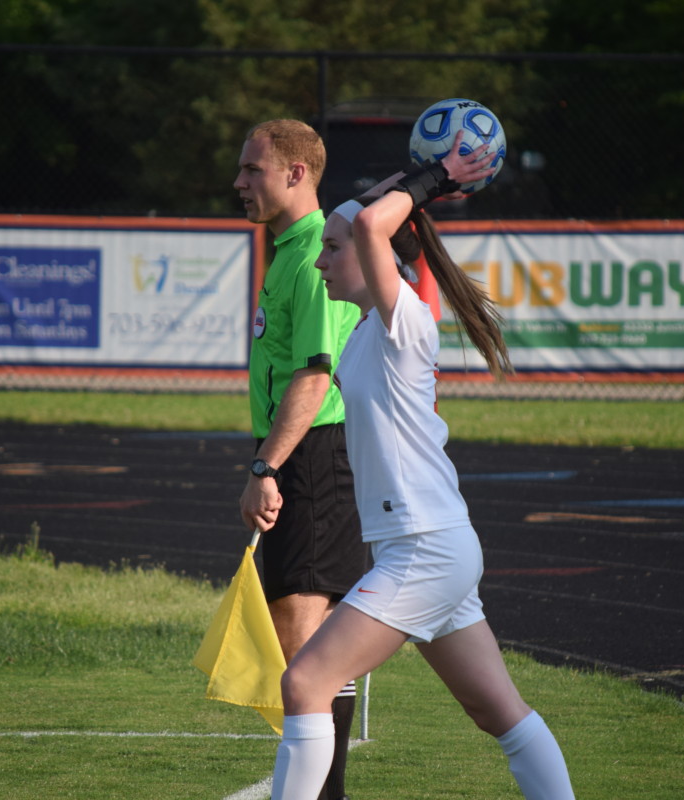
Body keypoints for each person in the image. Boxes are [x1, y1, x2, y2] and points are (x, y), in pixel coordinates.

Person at [268, 135, 577, 800]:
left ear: (379, 254)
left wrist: (442, 173)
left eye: (332, 247)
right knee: (500, 714)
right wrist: (412, 179)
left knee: (304, 681)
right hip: (427, 544)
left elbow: (377, 221)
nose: (320, 259)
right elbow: (372, 216)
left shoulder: (403, 318)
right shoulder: (366, 329)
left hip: (423, 548)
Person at [233, 119, 367, 800]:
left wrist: (267, 468)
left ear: (295, 173)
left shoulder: (316, 248)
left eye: (252, 169)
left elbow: (315, 377)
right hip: (299, 455)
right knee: (308, 653)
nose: (239, 182)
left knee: (305, 650)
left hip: (312, 458)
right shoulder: (290, 248)